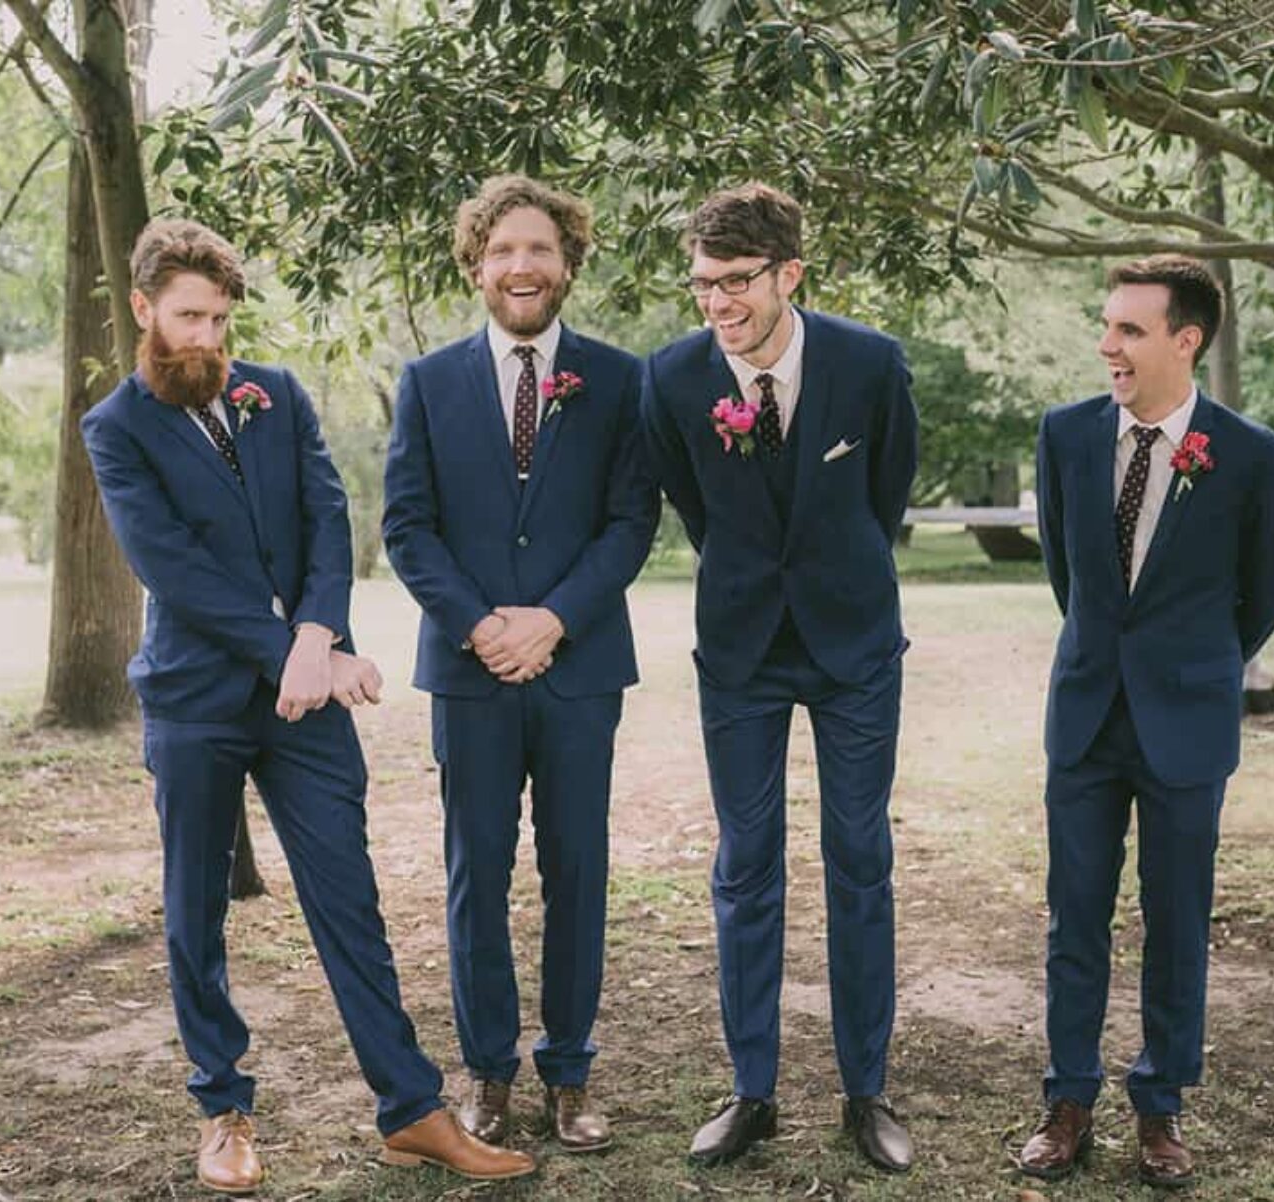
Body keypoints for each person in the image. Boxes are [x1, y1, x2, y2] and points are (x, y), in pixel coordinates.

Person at [81, 218, 535, 1194]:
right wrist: (289, 646)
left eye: (218, 318)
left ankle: (411, 1110)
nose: (205, 336)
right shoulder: (114, 427)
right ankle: (223, 1108)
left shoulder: (277, 396)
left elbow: (330, 519)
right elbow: (172, 567)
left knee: (350, 901)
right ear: (144, 309)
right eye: (187, 316)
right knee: (195, 911)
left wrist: (321, 638)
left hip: (308, 700)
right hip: (195, 702)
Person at [641, 183, 919, 1173]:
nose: (716, 303)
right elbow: (693, 505)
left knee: (859, 855)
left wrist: (831, 570)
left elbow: (887, 489)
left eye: (736, 282)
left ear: (789, 274)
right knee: (745, 861)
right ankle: (751, 1089)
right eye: (702, 283)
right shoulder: (672, 378)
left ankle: (866, 1090)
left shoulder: (870, 363)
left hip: (854, 648)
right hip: (742, 649)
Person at [382, 175, 659, 1154]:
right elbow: (406, 528)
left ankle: (571, 1070)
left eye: (539, 248)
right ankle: (489, 1072)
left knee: (578, 866)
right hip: (470, 674)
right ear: (477, 266)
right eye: (502, 250)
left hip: (580, 671)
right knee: (478, 872)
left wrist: (554, 619)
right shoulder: (427, 382)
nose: (521, 266)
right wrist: (480, 626)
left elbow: (634, 520)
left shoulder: (623, 381)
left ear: (569, 262)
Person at [1016, 255, 1274, 1189]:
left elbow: (1269, 587)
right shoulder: (1063, 436)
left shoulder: (1249, 453)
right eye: (1106, 327)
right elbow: (1068, 574)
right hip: (1088, 714)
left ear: (1188, 340)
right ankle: (1067, 1100)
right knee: (1074, 919)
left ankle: (1162, 1104)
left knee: (1177, 920)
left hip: (1188, 720)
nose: (1108, 346)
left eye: (1129, 330)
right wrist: (1113, 650)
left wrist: (1196, 662)